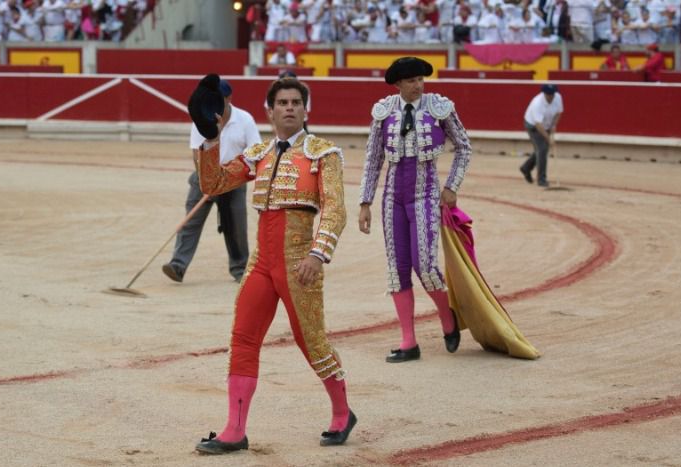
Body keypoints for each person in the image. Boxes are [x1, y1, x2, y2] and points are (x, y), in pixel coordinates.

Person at [191, 75, 356, 454]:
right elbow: (213, 184)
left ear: (306, 109)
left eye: (296, 102)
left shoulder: (323, 152)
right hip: (262, 262)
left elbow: (335, 208)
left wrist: (318, 253)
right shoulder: (259, 152)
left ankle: (343, 412)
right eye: (282, 103)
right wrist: (210, 137)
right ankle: (234, 429)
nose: (289, 108)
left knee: (311, 341)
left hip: (300, 260)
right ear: (269, 110)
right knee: (243, 337)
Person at [358, 57, 472, 363]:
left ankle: (447, 320)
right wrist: (365, 202)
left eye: (421, 79)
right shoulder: (384, 112)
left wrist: (452, 187)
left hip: (425, 194)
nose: (418, 85)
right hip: (392, 197)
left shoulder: (438, 107)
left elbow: (464, 146)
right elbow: (373, 159)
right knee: (397, 270)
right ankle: (409, 342)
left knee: (425, 266)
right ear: (398, 84)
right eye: (411, 81)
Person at [162, 80, 261, 284]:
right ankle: (178, 265)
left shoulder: (244, 119)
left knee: (236, 227)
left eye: (220, 100)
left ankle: (240, 269)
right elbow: (196, 153)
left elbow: (255, 152)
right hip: (203, 178)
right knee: (190, 222)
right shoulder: (201, 118)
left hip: (233, 181)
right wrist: (208, 180)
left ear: (228, 99)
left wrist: (227, 177)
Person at [520, 84, 564, 188]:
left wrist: (554, 125)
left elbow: (559, 113)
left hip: (546, 124)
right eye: (548, 94)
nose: (551, 97)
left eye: (552, 94)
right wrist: (549, 139)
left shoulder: (558, 97)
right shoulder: (537, 103)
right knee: (543, 149)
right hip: (533, 126)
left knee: (541, 150)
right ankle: (541, 179)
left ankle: (526, 168)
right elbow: (538, 125)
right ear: (544, 93)